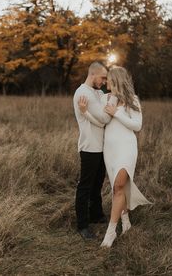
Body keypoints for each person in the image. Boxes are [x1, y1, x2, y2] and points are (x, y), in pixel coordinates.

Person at [79, 66, 153, 247]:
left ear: (117, 80)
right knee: (117, 189)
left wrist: (117, 113)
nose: (106, 83)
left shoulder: (132, 100)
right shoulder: (106, 98)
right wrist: (85, 112)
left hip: (126, 148)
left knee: (120, 185)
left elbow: (137, 126)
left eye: (109, 79)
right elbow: (102, 122)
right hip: (109, 150)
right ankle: (125, 219)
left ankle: (110, 232)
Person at [73, 61, 117, 240]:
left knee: (97, 184)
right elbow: (104, 119)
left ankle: (96, 215)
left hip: (101, 146)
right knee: (85, 186)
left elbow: (103, 118)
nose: (104, 82)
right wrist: (96, 115)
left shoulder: (98, 92)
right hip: (90, 146)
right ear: (93, 74)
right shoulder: (83, 93)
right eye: (102, 78)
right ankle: (82, 225)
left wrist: (92, 114)